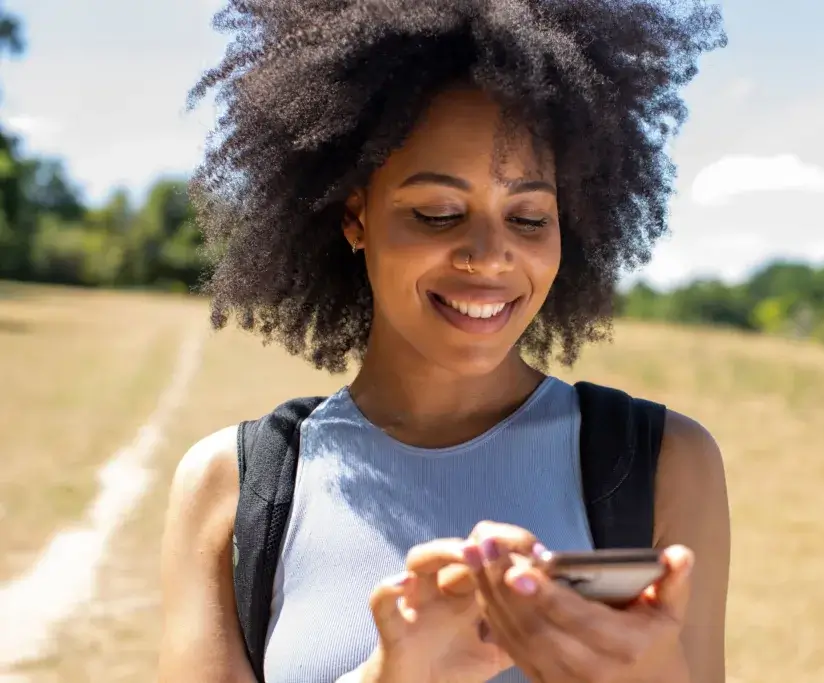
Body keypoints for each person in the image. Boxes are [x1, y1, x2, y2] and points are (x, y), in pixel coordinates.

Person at [158, 1, 730, 682]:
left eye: (528, 215)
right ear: (355, 217)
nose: (490, 257)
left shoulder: (665, 463)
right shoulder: (232, 486)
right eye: (438, 213)